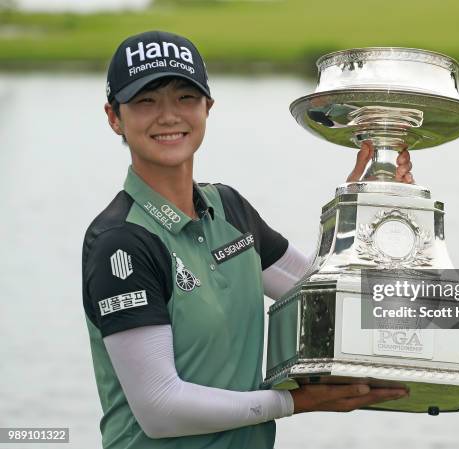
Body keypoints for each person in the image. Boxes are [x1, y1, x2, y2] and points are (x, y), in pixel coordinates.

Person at [82, 30, 413, 449]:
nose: (168, 116)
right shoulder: (121, 242)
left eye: (185, 97)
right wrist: (293, 403)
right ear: (115, 117)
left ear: (208, 107)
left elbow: (322, 295)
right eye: (146, 101)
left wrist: (364, 210)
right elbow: (161, 410)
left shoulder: (229, 208)